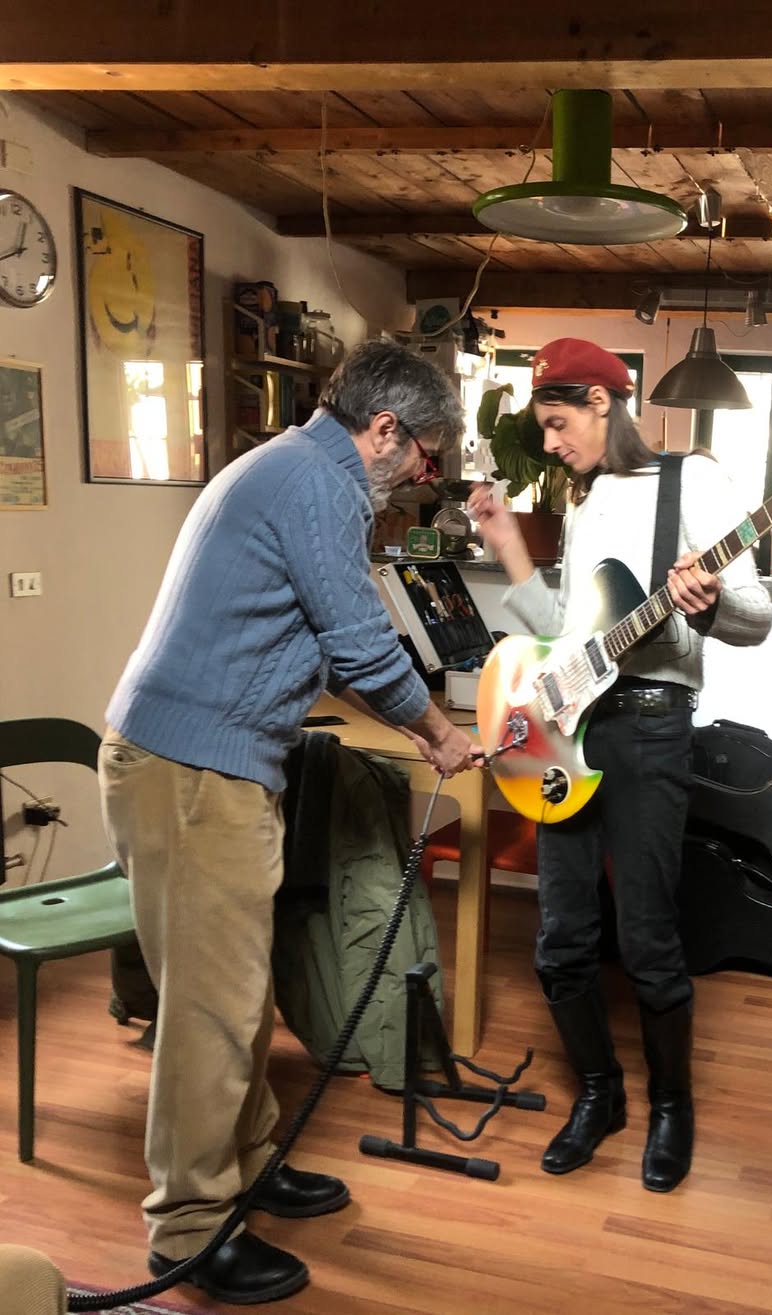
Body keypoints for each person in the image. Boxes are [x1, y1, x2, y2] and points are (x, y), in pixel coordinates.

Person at [98, 339, 479, 1306]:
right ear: (384, 430)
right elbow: (357, 640)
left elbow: (320, 635)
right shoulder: (320, 485)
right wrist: (438, 733)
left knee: (239, 986)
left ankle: (252, 1163)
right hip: (192, 774)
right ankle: (188, 1230)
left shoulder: (291, 467)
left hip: (208, 765)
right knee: (209, 1011)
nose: (421, 482)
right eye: (426, 459)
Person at [467, 338, 771, 1192]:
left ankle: (672, 1104)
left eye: (559, 423)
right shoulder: (588, 495)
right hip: (574, 735)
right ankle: (599, 1092)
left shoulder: (692, 483)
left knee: (646, 936)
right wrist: (506, 544)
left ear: (603, 402)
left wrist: (703, 607)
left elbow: (756, 615)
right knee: (561, 935)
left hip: (649, 729)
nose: (552, 442)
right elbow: (570, 629)